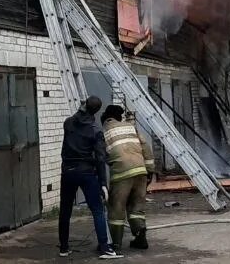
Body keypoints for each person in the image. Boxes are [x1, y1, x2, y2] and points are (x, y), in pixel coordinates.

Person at [58, 96, 123, 259]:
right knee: (97, 210)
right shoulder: (95, 130)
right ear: (97, 111)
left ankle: (64, 248)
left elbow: (75, 121)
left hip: (67, 171)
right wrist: (102, 183)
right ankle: (105, 249)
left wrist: (82, 108)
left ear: (84, 105)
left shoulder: (68, 123)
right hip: (86, 172)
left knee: (65, 211)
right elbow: (100, 158)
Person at [101, 105, 157, 251]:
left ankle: (116, 244)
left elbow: (101, 154)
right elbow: (145, 147)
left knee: (116, 208)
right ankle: (140, 235)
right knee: (136, 206)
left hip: (122, 173)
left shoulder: (104, 131)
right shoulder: (130, 127)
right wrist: (150, 170)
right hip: (140, 170)